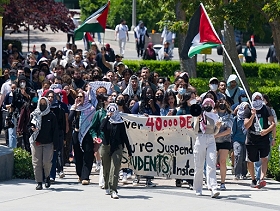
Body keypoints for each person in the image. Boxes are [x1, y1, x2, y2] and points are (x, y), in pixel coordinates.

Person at [100, 103, 132, 199]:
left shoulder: (120, 122)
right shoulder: (106, 120)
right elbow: (101, 128)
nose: (112, 112)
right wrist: (107, 117)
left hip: (117, 147)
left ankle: (113, 189)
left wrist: (129, 150)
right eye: (110, 110)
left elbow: (124, 136)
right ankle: (107, 185)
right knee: (106, 168)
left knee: (115, 168)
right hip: (106, 146)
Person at [244, 92, 275, 189]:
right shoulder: (248, 109)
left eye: (259, 98)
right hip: (252, 138)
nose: (257, 100)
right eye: (255, 98)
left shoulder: (266, 109)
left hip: (263, 138)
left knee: (264, 158)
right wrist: (253, 115)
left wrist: (266, 131)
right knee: (251, 160)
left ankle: (261, 178)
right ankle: (253, 179)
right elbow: (246, 125)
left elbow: (273, 124)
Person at [193, 98, 221, 198]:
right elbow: (195, 130)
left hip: (211, 139)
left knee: (211, 164)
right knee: (199, 165)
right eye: (206, 103)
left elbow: (214, 132)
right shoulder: (200, 114)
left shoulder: (214, 116)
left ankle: (213, 188)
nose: (208, 105)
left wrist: (218, 127)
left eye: (210, 103)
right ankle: (198, 187)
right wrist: (198, 119)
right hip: (200, 138)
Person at [29, 97, 59, 190]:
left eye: (44, 104)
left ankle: (47, 177)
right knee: (36, 163)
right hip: (36, 142)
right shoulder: (34, 114)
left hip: (48, 143)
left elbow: (55, 131)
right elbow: (28, 126)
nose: (42, 105)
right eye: (41, 103)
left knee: (46, 162)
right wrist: (32, 129)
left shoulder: (51, 115)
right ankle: (39, 182)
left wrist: (55, 145)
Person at [68, 90, 96, 185]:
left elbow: (94, 122)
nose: (79, 98)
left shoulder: (91, 109)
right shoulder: (75, 107)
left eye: (81, 96)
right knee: (78, 155)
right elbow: (70, 119)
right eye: (78, 96)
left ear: (85, 98)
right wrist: (75, 107)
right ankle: (80, 174)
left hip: (87, 133)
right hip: (76, 133)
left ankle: (85, 177)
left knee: (88, 155)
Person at [214, 99, 233, 190]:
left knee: (222, 161)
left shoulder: (229, 115)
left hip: (225, 141)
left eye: (224, 103)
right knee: (212, 162)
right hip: (213, 142)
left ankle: (222, 182)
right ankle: (212, 181)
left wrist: (217, 135)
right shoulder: (213, 114)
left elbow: (229, 130)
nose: (222, 105)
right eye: (220, 103)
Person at [231, 102, 249, 180]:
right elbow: (233, 131)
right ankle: (237, 173)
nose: (246, 110)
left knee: (245, 157)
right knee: (238, 155)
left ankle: (244, 173)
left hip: (247, 140)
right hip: (237, 140)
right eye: (245, 108)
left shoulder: (249, 119)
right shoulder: (236, 119)